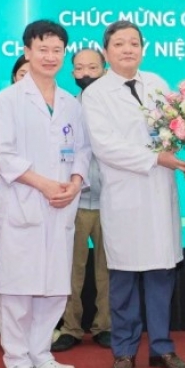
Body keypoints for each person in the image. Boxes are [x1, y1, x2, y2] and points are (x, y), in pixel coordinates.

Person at [81, 20, 185, 368]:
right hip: (124, 194)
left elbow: (175, 130)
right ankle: (124, 350)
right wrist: (156, 159)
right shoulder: (95, 94)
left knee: (161, 274)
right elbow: (105, 146)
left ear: (143, 48)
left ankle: (162, 348)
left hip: (159, 192)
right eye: (119, 44)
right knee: (124, 278)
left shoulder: (157, 83)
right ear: (106, 51)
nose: (127, 49)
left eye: (133, 43)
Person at [0, 20, 91, 368]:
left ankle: (41, 354)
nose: (50, 56)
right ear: (27, 52)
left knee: (55, 285)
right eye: (42, 49)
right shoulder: (6, 101)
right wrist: (45, 184)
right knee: (18, 287)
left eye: (56, 50)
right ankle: (15, 361)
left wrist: (75, 182)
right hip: (23, 204)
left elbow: (82, 150)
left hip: (61, 206)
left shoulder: (70, 104)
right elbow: (1, 155)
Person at [52, 48, 111, 352]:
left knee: (108, 269)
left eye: (92, 67)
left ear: (105, 69)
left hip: (110, 201)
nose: (85, 73)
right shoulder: (65, 108)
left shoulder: (116, 107)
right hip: (72, 201)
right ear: (72, 72)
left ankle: (105, 326)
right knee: (69, 269)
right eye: (79, 68)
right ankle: (70, 327)